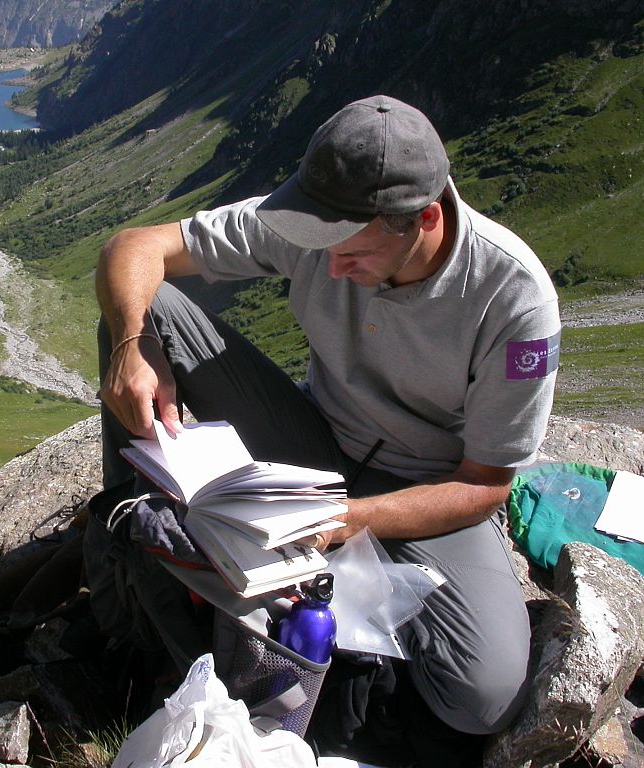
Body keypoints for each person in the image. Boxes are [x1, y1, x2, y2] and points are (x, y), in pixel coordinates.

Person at [94, 94, 560, 760]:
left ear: (424, 218)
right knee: (144, 310)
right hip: (314, 435)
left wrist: (352, 519)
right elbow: (134, 247)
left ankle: (322, 665)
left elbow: (486, 484)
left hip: (427, 484)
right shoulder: (315, 222)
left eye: (353, 254)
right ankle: (129, 543)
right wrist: (132, 344)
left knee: (481, 696)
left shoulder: (512, 300)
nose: (331, 267)